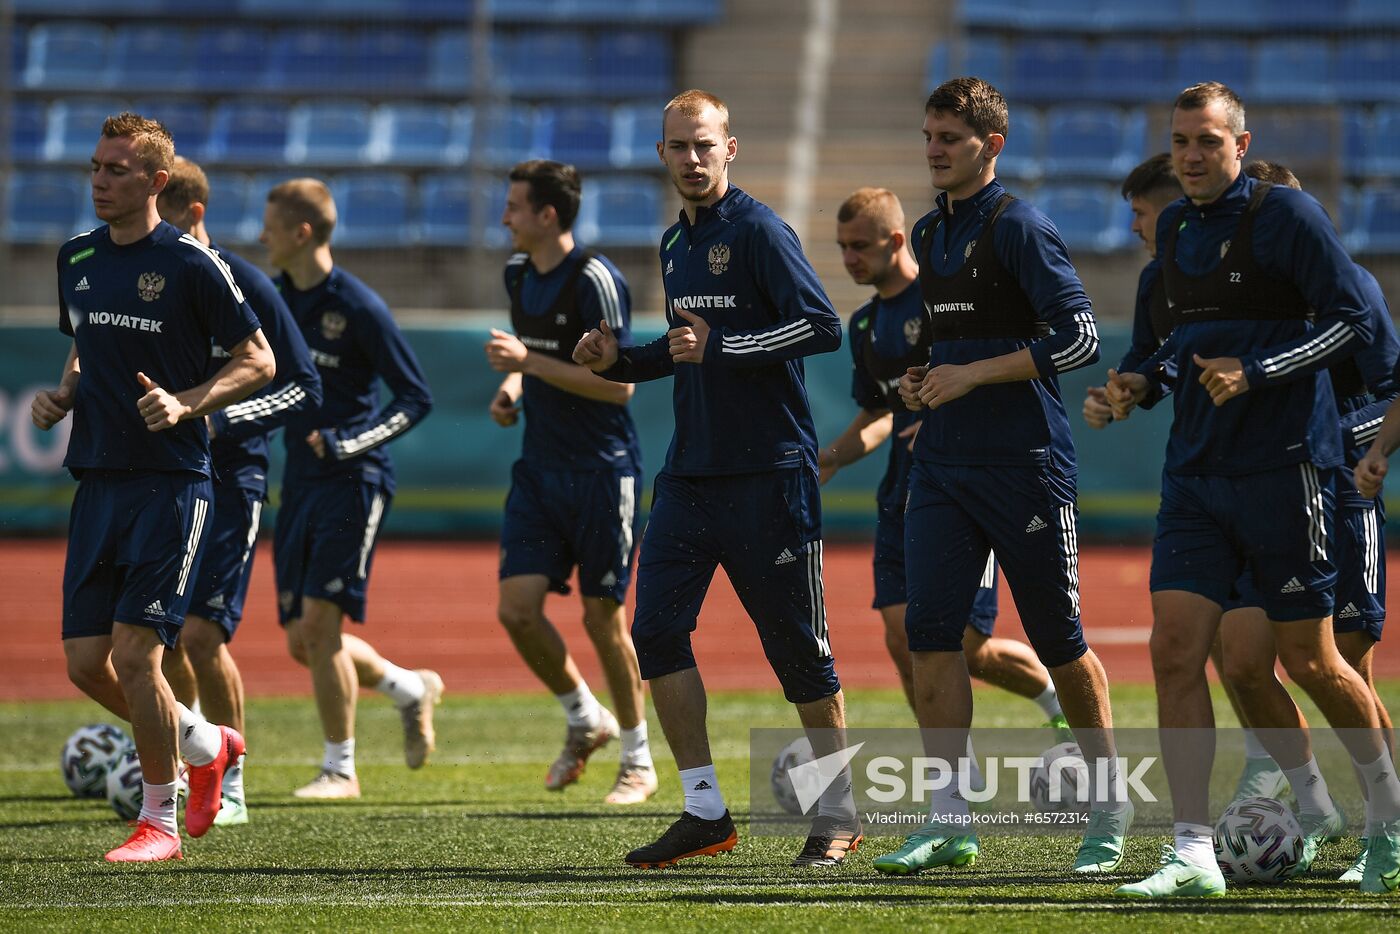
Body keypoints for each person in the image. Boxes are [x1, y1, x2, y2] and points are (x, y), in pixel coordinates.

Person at [1107, 82, 1400, 897]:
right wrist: (1133, 385)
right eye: (1181, 142)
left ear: (1240, 143)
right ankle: (1192, 854)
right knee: (1177, 652)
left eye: (1207, 140)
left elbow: (1356, 322)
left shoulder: (1287, 219)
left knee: (1313, 661)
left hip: (1290, 467)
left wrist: (1263, 370)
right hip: (1196, 474)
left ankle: (1390, 827)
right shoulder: (1173, 230)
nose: (1193, 155)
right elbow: (1170, 344)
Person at [574, 89, 858, 868]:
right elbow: (682, 348)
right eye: (678, 147)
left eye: (704, 145)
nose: (692, 160)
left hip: (770, 475)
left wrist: (724, 346)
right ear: (662, 156)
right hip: (692, 476)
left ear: (729, 148)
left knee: (798, 650)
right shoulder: (675, 243)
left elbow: (822, 327)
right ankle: (705, 811)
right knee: (655, 631)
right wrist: (619, 360)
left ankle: (838, 813)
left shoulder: (762, 231)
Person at [873, 77, 1131, 878]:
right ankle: (949, 821)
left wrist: (974, 375)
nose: (934, 150)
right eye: (928, 136)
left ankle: (1108, 807)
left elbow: (1082, 336)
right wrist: (926, 379)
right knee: (930, 638)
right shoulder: (927, 230)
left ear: (992, 145)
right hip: (943, 465)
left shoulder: (1020, 226)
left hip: (1025, 466)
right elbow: (951, 351)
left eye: (949, 137)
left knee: (1059, 641)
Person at [32, 113, 275, 861]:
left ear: (156, 182)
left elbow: (259, 360)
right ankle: (206, 741)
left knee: (140, 657)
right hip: (98, 478)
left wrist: (187, 401)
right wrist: (67, 395)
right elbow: (87, 346)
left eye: (117, 170)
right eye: (96, 168)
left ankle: (159, 823)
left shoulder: (193, 264)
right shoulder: (76, 258)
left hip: (174, 482)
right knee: (84, 663)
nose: (100, 181)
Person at [822, 186, 1070, 736]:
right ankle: (954, 777)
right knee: (903, 635)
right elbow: (880, 413)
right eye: (841, 247)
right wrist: (830, 458)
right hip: (902, 493)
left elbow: (1052, 344)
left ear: (893, 240)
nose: (848, 260)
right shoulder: (863, 325)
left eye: (858, 246)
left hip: (964, 482)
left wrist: (939, 402)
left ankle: (1055, 701)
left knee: (969, 645)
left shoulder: (942, 299)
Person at [1083, 155, 1289, 804]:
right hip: (1194, 479)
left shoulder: (1267, 267)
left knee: (1296, 659)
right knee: (1180, 646)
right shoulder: (1155, 282)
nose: (1139, 228)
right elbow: (1149, 366)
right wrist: (1117, 397)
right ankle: (1197, 838)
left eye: (1143, 213)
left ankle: (1353, 808)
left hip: (1275, 475)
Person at [1215, 160, 1398, 885]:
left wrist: (1376, 453)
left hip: (1341, 497)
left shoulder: (1349, 290)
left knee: (1341, 667)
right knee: (1242, 662)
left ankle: (1385, 828)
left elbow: (1393, 381)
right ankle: (1317, 806)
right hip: (1263, 493)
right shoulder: (1245, 298)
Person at [154, 157, 324, 826]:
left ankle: (234, 787)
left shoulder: (243, 282)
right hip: (166, 478)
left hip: (231, 476)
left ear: (190, 211)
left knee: (201, 634)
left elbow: (303, 385)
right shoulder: (146, 285)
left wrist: (217, 416)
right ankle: (199, 761)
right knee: (160, 640)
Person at [261, 178, 438, 799]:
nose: (263, 236)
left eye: (272, 226)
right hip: (301, 481)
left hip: (355, 481)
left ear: (301, 232)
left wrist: (348, 443)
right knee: (301, 641)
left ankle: (341, 769)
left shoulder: (358, 307)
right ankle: (409, 688)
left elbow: (416, 398)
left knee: (321, 625)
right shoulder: (274, 300)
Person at [485, 159, 655, 804]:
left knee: (601, 617)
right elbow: (535, 362)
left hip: (601, 471)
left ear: (547, 214)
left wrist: (526, 362)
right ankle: (587, 718)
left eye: (514, 206)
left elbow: (622, 385)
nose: (505, 217)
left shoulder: (595, 280)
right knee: (516, 610)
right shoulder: (518, 273)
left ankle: (639, 759)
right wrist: (512, 387)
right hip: (539, 469)